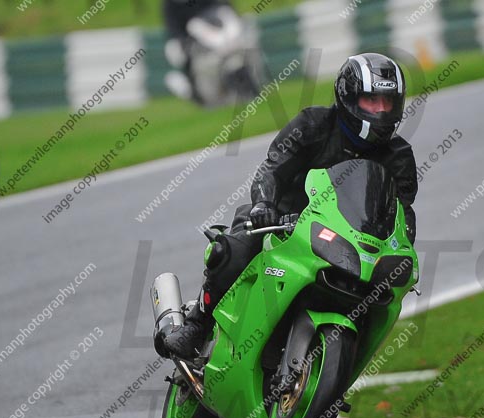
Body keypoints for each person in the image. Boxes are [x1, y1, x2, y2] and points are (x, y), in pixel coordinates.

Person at [156, 52, 418, 359]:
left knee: (380, 298)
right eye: (372, 101)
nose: (381, 110)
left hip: (350, 247)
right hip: (281, 223)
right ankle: (197, 324)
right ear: (349, 97)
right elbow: (272, 168)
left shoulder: (398, 156)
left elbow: (402, 214)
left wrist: (402, 248)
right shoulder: (312, 125)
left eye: (387, 103)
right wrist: (263, 204)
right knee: (235, 250)